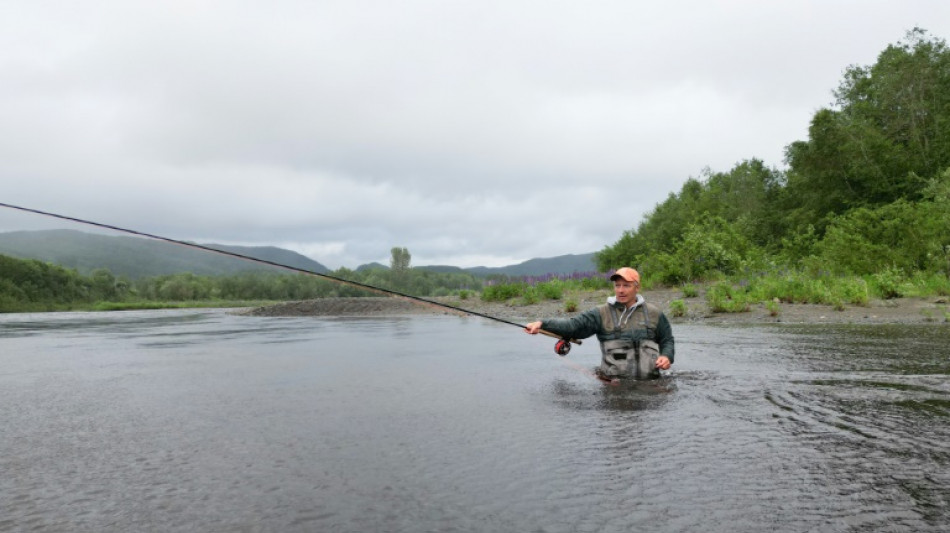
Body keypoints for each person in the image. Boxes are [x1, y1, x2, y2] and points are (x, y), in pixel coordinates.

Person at [524, 267, 674, 379]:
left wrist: (666, 356)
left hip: (651, 383)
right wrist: (542, 323)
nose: (620, 290)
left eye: (626, 285)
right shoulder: (600, 313)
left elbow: (667, 339)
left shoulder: (655, 313)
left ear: (637, 287)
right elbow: (572, 326)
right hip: (614, 385)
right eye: (617, 285)